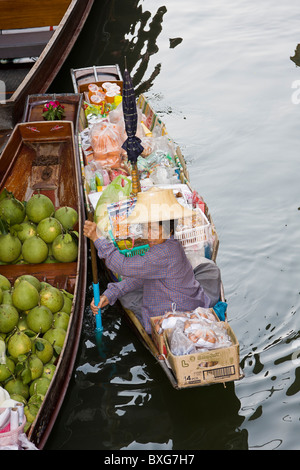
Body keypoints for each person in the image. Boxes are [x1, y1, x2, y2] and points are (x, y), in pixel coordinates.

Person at [83, 187, 213, 334]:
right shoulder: (168, 245)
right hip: (185, 299)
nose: (149, 235)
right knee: (125, 293)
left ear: (169, 231)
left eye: (154, 230)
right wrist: (111, 294)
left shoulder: (163, 252)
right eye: (146, 228)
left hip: (178, 312)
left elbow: (123, 266)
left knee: (128, 298)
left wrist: (97, 238)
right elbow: (142, 275)